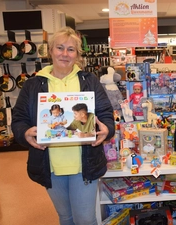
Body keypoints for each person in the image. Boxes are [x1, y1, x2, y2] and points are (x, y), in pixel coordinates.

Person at [12, 26, 115, 225]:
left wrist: (107, 130)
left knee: (85, 219)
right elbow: (19, 119)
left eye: (71, 49)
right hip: (49, 165)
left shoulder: (89, 81)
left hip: (83, 164)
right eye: (60, 48)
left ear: (77, 54)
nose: (65, 54)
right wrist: (24, 132)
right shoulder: (33, 85)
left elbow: (105, 114)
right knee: (65, 218)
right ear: (50, 51)